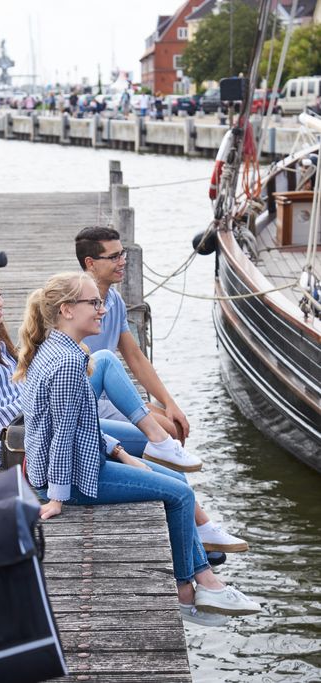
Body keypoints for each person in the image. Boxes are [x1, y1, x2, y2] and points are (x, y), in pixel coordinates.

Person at [14, 271, 262, 625]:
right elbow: (64, 435)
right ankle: (186, 591)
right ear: (67, 310)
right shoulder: (69, 363)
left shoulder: (56, 348)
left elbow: (79, 426)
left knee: (173, 479)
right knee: (178, 495)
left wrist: (124, 454)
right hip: (77, 480)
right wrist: (55, 497)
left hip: (77, 466)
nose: (102, 309)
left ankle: (208, 582)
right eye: (93, 303)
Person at [74, 226, 249, 554]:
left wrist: (170, 403)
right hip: (83, 403)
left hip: (103, 397)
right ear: (90, 263)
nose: (122, 261)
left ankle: (192, 522)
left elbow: (136, 358)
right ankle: (198, 528)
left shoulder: (113, 300)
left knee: (174, 425)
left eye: (122, 253)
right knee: (165, 433)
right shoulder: (76, 303)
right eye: (113, 256)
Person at [0, 272, 198, 475]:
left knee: (105, 363)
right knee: (151, 434)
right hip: (20, 437)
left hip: (35, 418)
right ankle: (162, 447)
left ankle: (199, 525)